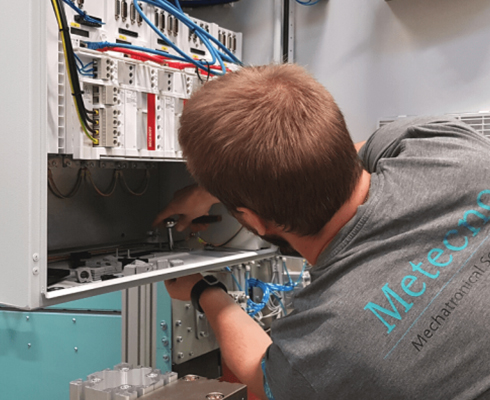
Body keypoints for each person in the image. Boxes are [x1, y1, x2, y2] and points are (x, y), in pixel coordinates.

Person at [154, 64, 490, 400]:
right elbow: (338, 155)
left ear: (254, 221)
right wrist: (213, 192)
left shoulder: (327, 340)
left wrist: (204, 292)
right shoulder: (451, 148)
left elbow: (262, 375)